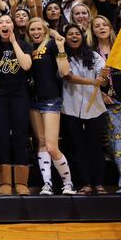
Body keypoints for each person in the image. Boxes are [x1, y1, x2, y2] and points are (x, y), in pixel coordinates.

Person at [26, 18, 75, 195]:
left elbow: (65, 71)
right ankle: (47, 184)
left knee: (52, 146)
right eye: (32, 29)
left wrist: (61, 48)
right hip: (33, 100)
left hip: (51, 99)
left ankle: (68, 183)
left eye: (39, 29)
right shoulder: (29, 48)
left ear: (45, 30)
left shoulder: (53, 44)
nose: (36, 32)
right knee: (41, 143)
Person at [0, 14, 33, 195]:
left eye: (8, 22)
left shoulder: (23, 44)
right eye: (1, 22)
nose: (4, 25)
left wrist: (13, 43)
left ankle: (21, 182)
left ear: (13, 25)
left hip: (20, 96)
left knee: (20, 137)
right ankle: (4, 181)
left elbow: (26, 65)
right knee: (2, 137)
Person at [61, 24, 109, 195]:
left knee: (95, 146)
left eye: (77, 33)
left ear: (82, 37)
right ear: (65, 38)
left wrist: (103, 79)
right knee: (78, 147)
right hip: (71, 108)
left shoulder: (94, 56)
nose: (74, 36)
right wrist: (92, 82)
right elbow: (67, 76)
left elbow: (103, 79)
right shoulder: (62, 57)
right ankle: (85, 183)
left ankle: (100, 183)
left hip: (95, 108)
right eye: (70, 34)